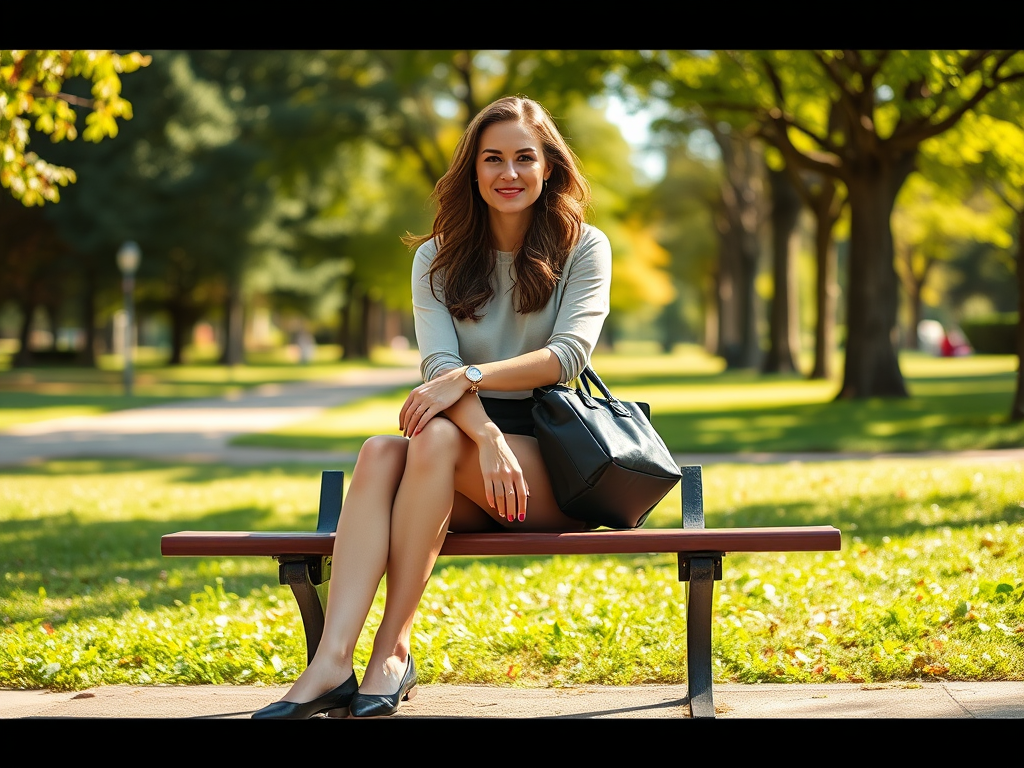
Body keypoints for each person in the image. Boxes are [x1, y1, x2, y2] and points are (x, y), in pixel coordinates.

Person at [252, 95, 611, 719]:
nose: (509, 173)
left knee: (430, 440)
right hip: (461, 462)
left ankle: (389, 652)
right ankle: (334, 660)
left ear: (549, 167)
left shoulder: (584, 246)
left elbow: (567, 356)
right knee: (383, 450)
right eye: (492, 158)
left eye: (525, 158)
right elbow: (436, 369)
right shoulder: (436, 258)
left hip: (552, 464)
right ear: (472, 170)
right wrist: (487, 436)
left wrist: (471, 380)